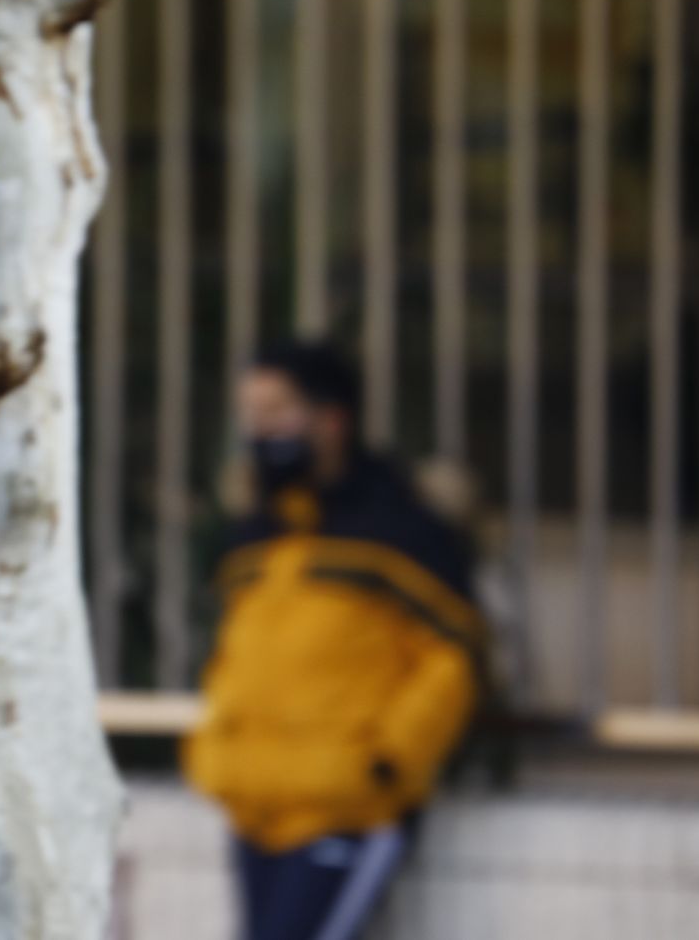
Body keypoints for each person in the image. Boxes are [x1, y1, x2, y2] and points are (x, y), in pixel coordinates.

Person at [182, 342, 485, 940]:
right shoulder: (254, 535)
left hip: (345, 808)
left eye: (276, 411)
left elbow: (455, 660)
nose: (259, 430)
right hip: (252, 805)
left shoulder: (400, 529)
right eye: (251, 414)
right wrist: (214, 748)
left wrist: (386, 762)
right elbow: (234, 657)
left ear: (332, 419)